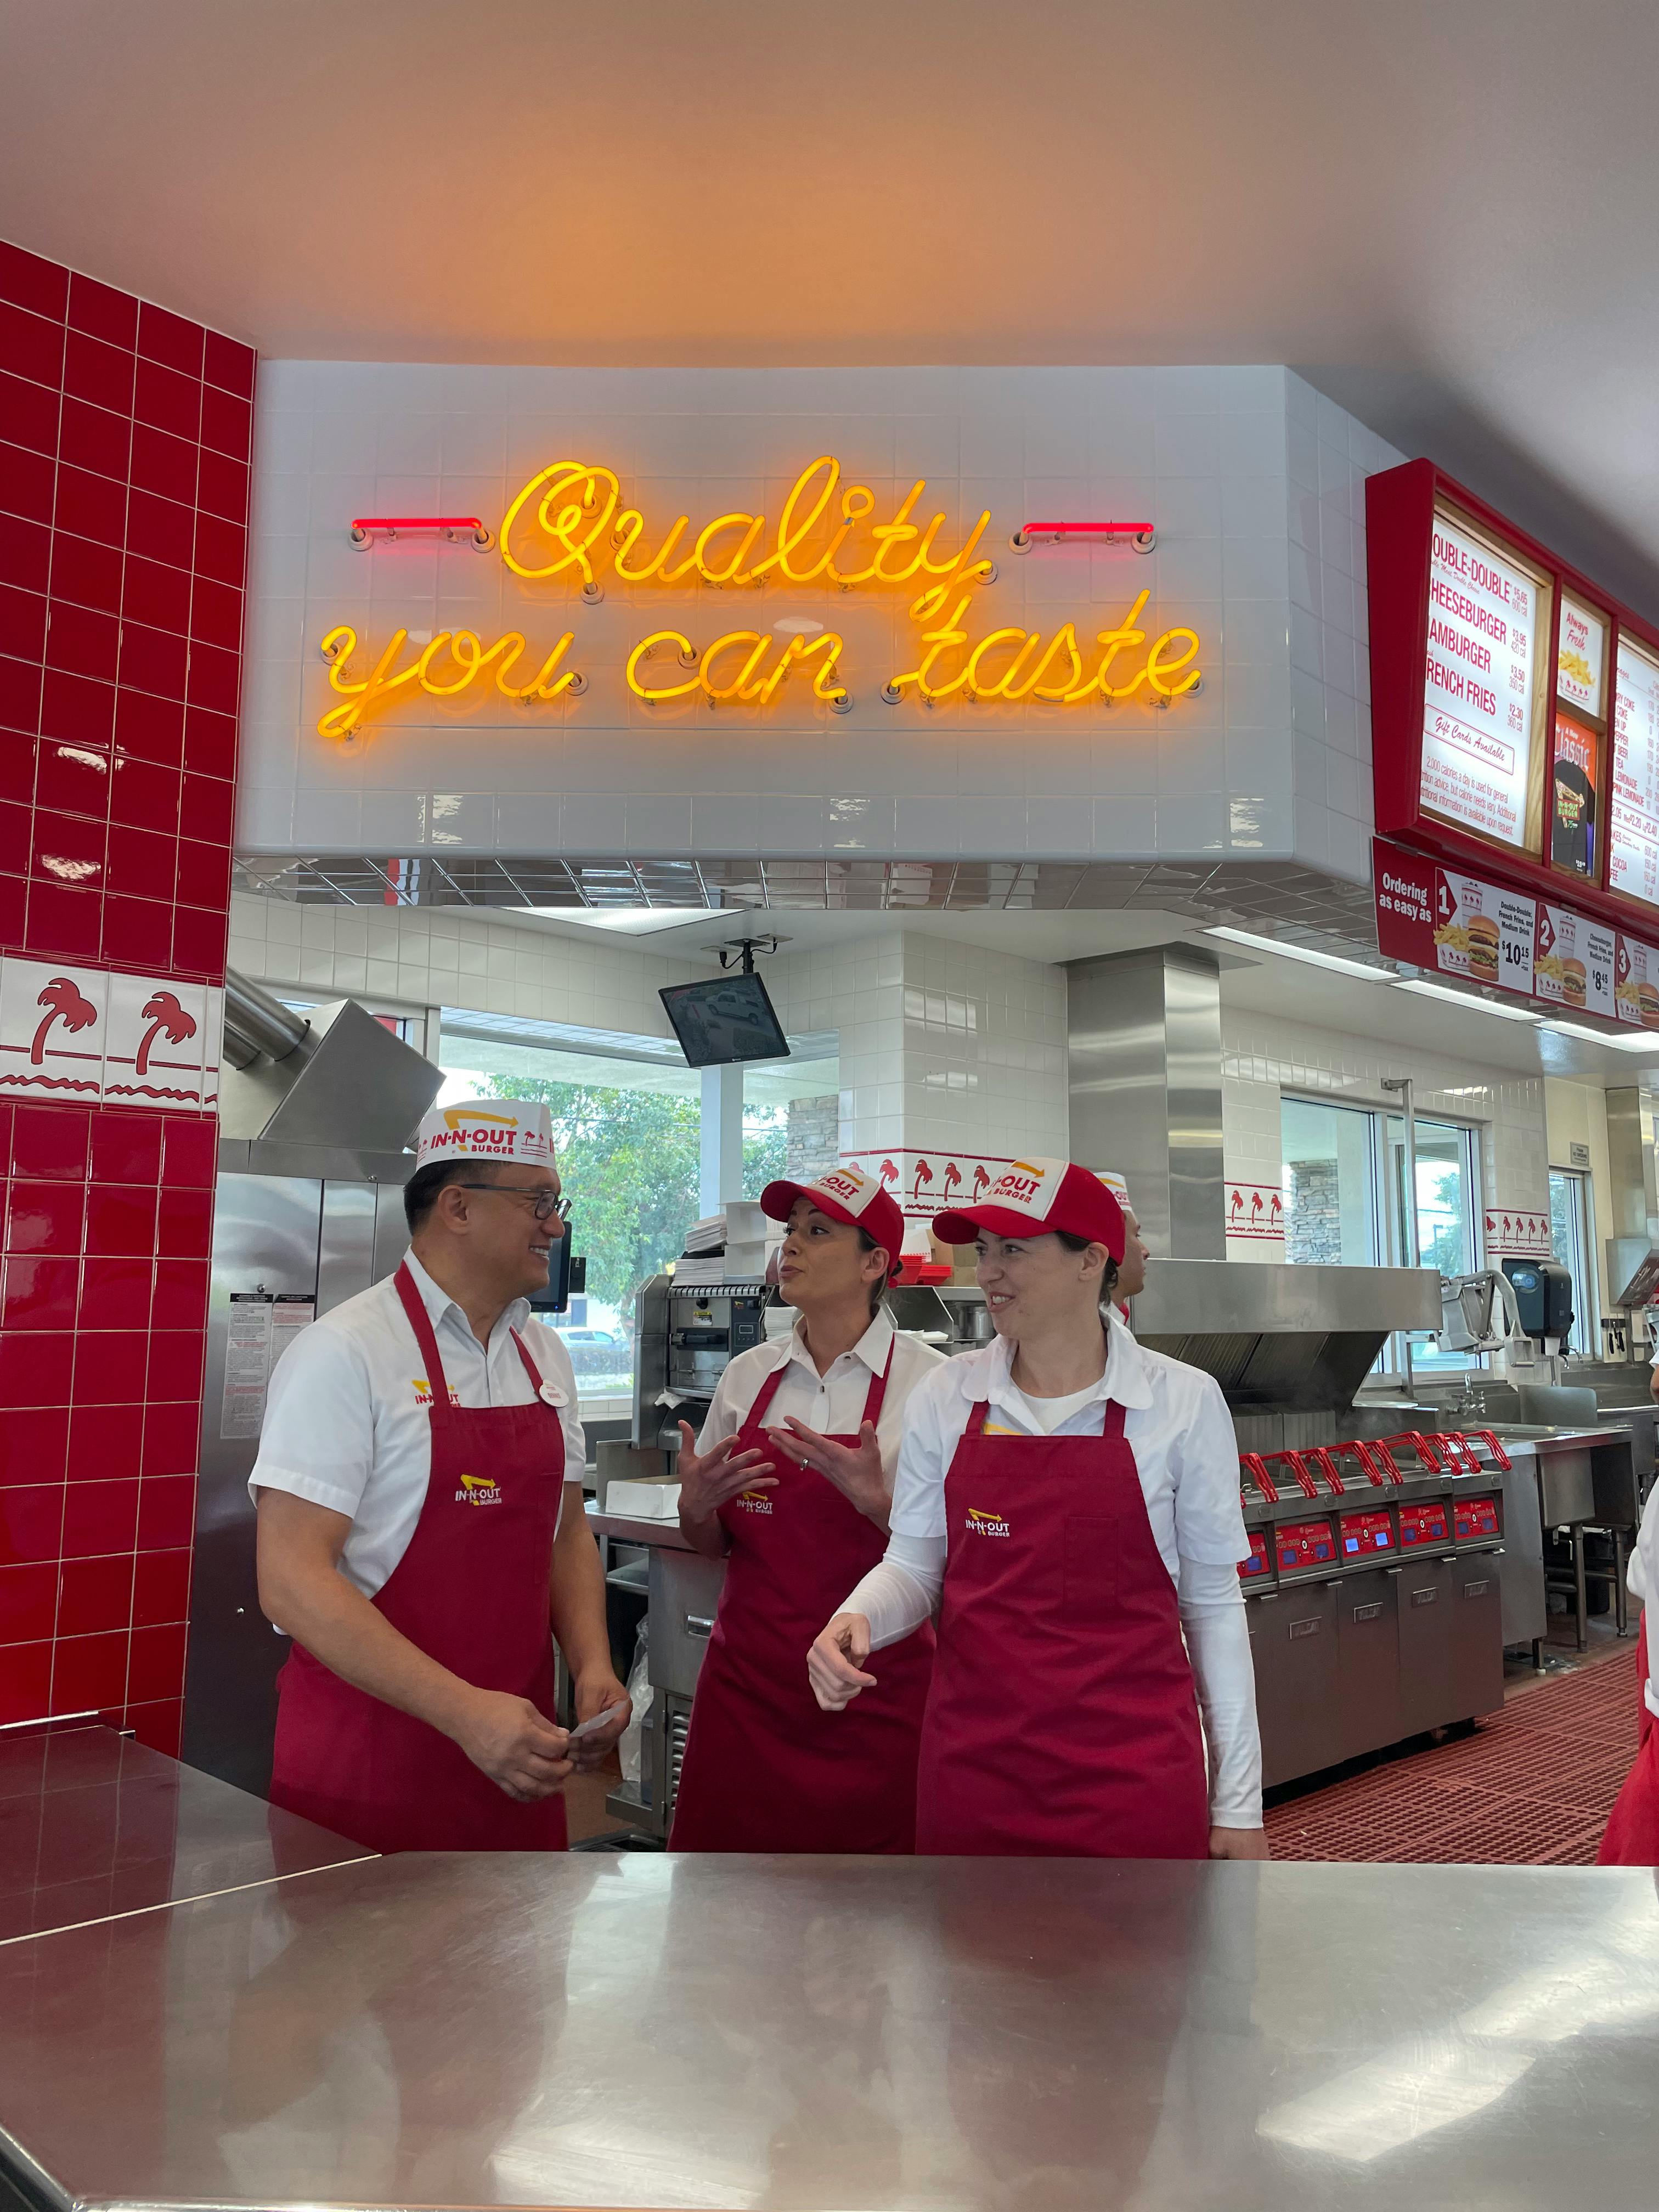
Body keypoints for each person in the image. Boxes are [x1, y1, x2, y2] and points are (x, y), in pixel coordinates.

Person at [808, 1156, 1267, 1861]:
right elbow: (914, 1565)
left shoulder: (1181, 1400)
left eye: (1014, 1251)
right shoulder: (950, 1397)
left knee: (1145, 1971)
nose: (988, 1272)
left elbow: (1212, 1604)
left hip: (1132, 1777)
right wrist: (858, 1615)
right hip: (975, 1775)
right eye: (984, 1251)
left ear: (1092, 1262)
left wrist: (1238, 1806)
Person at [252, 1099, 629, 1853]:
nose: (556, 1226)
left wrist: (593, 1662)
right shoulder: (347, 1353)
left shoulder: (544, 1356)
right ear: (457, 1207)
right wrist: (463, 1713)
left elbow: (564, 1535)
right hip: (371, 1770)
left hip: (515, 1763)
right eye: (539, 1203)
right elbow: (291, 1580)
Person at [669, 1165, 945, 1852]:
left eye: (818, 1233)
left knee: (880, 1929)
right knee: (730, 1918)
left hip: (873, 1690)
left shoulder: (934, 1386)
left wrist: (875, 1504)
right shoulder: (747, 1377)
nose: (789, 1245)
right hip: (748, 1693)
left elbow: (955, 1563)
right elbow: (711, 1545)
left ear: (874, 1263)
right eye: (790, 1230)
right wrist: (696, 1507)